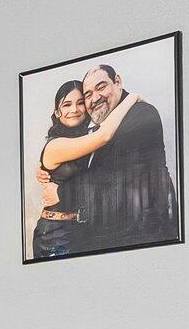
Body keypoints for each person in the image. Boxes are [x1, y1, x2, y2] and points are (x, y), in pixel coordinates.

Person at [55, 61, 180, 253]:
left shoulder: (140, 115)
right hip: (95, 240)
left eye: (101, 86)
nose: (95, 98)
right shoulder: (91, 126)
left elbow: (149, 184)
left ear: (118, 82)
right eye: (87, 95)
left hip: (134, 238)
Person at [29, 78, 95, 260]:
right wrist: (132, 98)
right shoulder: (56, 145)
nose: (74, 109)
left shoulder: (87, 138)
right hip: (55, 236)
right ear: (58, 112)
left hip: (83, 231)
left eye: (80, 102)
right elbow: (106, 135)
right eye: (67, 105)